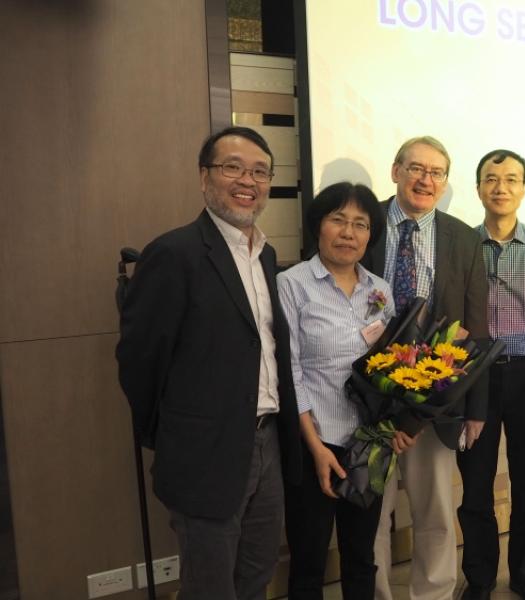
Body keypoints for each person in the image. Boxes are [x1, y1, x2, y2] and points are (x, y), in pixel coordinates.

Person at [116, 126, 301, 600]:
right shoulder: (173, 254)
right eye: (232, 167)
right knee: (209, 587)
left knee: (257, 575)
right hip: (205, 454)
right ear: (204, 177)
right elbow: (139, 361)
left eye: (260, 171)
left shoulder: (265, 254)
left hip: (267, 444)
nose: (248, 180)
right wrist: (175, 436)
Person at [362, 136, 489, 600]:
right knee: (371, 514)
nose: (425, 180)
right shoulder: (365, 223)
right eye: (416, 168)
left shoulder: (463, 238)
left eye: (436, 173)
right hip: (366, 399)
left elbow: (477, 327)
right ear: (395, 170)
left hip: (436, 404)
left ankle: (432, 595)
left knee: (434, 513)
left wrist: (476, 407)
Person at [457, 150, 525, 600]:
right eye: (491, 179)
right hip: (474, 376)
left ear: (524, 188)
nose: (500, 187)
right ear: (478, 187)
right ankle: (479, 578)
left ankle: (524, 573)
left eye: (511, 179)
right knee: (476, 482)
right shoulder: (461, 246)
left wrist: (519, 347)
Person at [279, 182, 394, 599]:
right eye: (338, 220)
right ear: (318, 226)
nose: (349, 233)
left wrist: (396, 424)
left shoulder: (379, 290)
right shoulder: (292, 285)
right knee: (309, 561)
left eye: (360, 224)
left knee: (361, 555)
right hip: (316, 440)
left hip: (369, 443)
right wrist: (316, 448)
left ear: (370, 235)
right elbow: (288, 373)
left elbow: (394, 368)